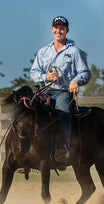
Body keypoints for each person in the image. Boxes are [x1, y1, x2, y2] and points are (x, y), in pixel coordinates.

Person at [30, 16, 91, 164]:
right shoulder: (43, 52)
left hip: (64, 92)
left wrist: (76, 80)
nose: (59, 30)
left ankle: (63, 149)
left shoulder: (75, 51)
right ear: (52, 29)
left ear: (67, 31)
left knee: (62, 114)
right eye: (56, 27)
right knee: (26, 110)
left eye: (62, 28)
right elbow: (33, 72)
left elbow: (85, 73)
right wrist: (46, 76)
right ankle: (24, 151)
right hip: (44, 91)